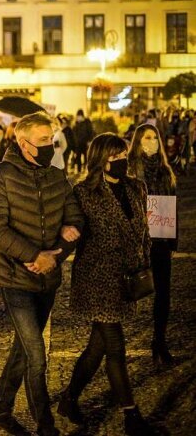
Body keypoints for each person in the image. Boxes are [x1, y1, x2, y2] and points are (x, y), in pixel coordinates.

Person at [0, 111, 84, 436]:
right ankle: (46, 425)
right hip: (16, 278)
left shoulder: (57, 176)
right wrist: (33, 255)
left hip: (48, 278)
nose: (50, 146)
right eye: (43, 142)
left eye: (52, 141)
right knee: (36, 355)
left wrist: (55, 255)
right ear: (23, 144)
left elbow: (75, 221)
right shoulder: (1, 175)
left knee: (23, 350)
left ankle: (0, 410)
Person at [57, 133, 155, 435]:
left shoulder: (136, 187)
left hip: (126, 278)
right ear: (100, 159)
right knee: (114, 346)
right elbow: (72, 229)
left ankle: (69, 398)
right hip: (96, 278)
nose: (120, 161)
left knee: (96, 347)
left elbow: (144, 231)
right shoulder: (84, 192)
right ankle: (131, 415)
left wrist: (146, 262)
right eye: (113, 156)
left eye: (122, 154)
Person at [128, 124, 177, 366]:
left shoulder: (165, 172)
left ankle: (159, 341)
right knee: (128, 292)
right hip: (137, 241)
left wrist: (172, 237)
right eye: (147, 138)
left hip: (160, 241)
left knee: (163, 294)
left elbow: (171, 203)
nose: (152, 142)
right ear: (138, 141)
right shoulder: (129, 171)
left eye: (155, 138)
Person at [73, 109, 94, 173]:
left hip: (85, 142)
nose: (77, 118)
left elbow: (91, 131)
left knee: (86, 156)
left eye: (78, 116)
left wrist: (90, 140)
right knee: (78, 156)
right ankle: (79, 170)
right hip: (78, 143)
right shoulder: (76, 124)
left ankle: (85, 167)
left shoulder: (87, 122)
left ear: (82, 116)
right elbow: (74, 133)